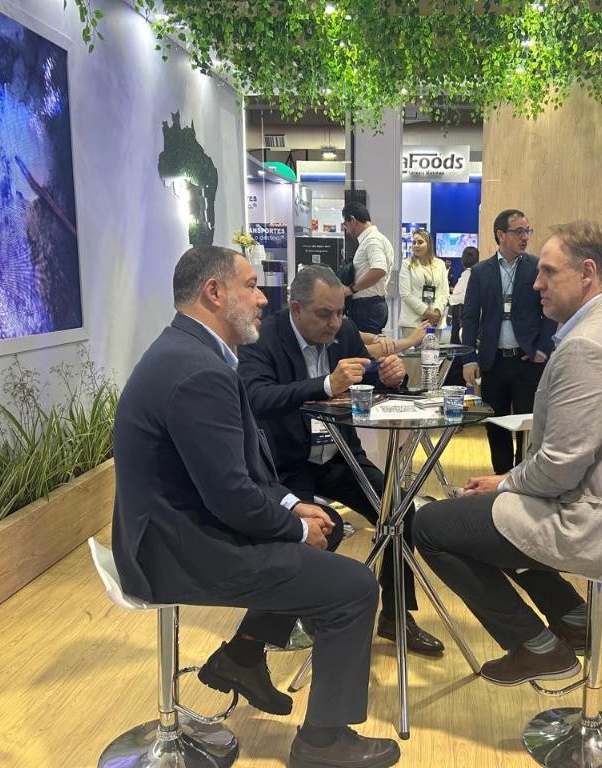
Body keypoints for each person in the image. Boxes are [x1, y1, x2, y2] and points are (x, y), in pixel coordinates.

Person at [111, 246, 399, 767]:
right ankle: (322, 743)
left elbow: (238, 476)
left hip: (172, 531)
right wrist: (294, 528)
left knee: (325, 530)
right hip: (174, 549)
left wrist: (292, 505)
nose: (263, 297)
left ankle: (243, 654)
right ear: (213, 292)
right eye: (250, 285)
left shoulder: (191, 353)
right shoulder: (198, 371)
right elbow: (231, 496)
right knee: (354, 588)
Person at [414, 220, 602, 686]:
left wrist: (505, 483)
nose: (537, 283)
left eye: (549, 272)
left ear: (587, 273)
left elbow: (558, 469)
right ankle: (574, 619)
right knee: (481, 514)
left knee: (431, 526)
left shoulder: (589, 345)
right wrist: (507, 484)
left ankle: (535, 647)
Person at [238, 265, 446, 657]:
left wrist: (391, 376)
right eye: (324, 314)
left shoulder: (345, 331)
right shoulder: (263, 337)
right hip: (287, 464)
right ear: (296, 309)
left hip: (339, 455)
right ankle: (287, 620)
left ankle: (396, 616)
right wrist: (325, 384)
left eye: (339, 312)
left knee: (399, 508)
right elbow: (255, 396)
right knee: (313, 529)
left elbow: (366, 382)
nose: (335, 323)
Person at [461, 209, 557, 474]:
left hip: (527, 361)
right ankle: (501, 479)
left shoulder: (537, 267)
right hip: (493, 362)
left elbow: (550, 310)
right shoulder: (481, 272)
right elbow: (469, 317)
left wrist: (542, 348)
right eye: (519, 231)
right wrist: (469, 358)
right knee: (496, 424)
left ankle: (524, 480)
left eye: (528, 231)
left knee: (528, 425)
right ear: (501, 234)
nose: (525, 237)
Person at [342, 201, 392, 334]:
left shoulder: (372, 240)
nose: (346, 230)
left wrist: (351, 289)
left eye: (346, 224)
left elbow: (379, 269)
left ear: (353, 220)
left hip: (367, 307)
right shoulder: (379, 239)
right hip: (372, 305)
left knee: (364, 345)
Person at [398, 229, 449, 338]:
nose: (416, 245)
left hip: (435, 322)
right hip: (412, 322)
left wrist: (437, 312)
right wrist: (427, 312)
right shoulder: (407, 264)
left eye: (420, 242)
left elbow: (445, 293)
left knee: (433, 349)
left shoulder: (440, 264)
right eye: (414, 242)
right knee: (413, 350)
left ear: (429, 244)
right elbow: (405, 294)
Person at [444, 246, 481, 386]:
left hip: (459, 319)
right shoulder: (479, 277)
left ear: (462, 261)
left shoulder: (464, 278)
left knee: (457, 354)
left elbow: (454, 300)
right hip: (469, 321)